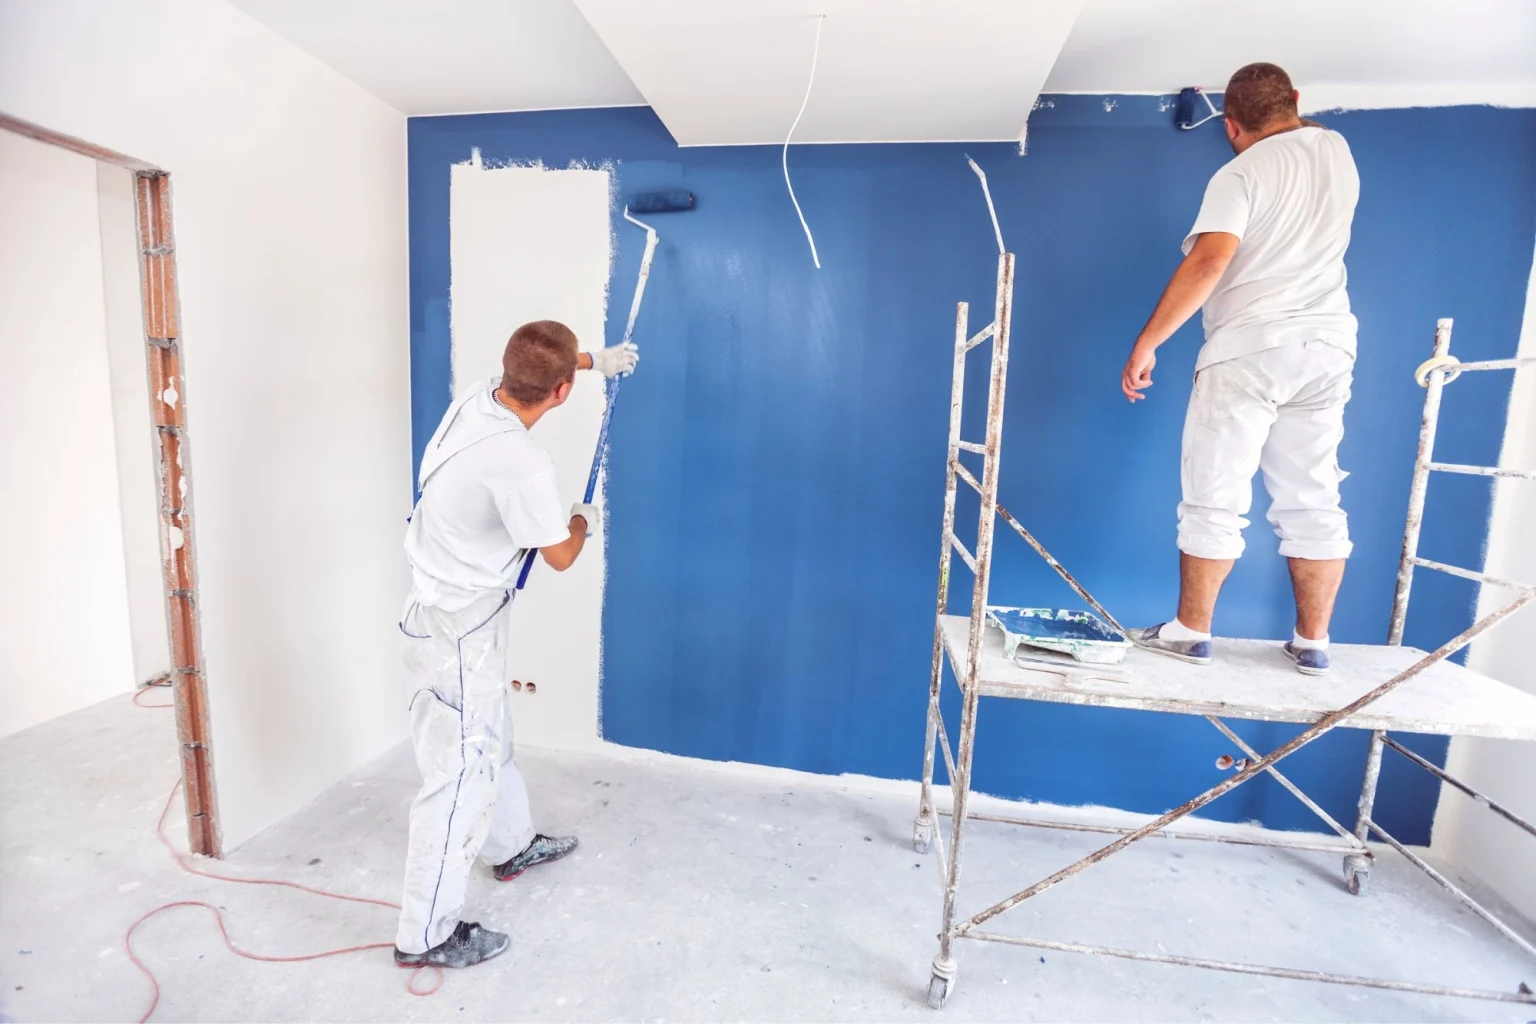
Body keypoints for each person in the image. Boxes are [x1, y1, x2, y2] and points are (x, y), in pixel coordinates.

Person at [393, 320, 638, 968]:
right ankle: (424, 935)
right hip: (457, 629)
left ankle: (509, 846)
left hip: (455, 612)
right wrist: (582, 520)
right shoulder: (523, 464)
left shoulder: (477, 400)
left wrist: (596, 362)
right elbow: (559, 555)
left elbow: (542, 361)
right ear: (560, 393)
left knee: (491, 740)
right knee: (457, 779)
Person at [1119, 63, 1360, 677]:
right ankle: (1313, 643)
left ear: (1229, 125)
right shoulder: (1335, 150)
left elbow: (1210, 261)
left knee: (1215, 493)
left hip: (1251, 346)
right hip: (1328, 347)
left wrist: (1148, 342)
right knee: (1313, 496)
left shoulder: (1239, 173)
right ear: (1295, 100)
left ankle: (1190, 632)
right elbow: (1301, 131)